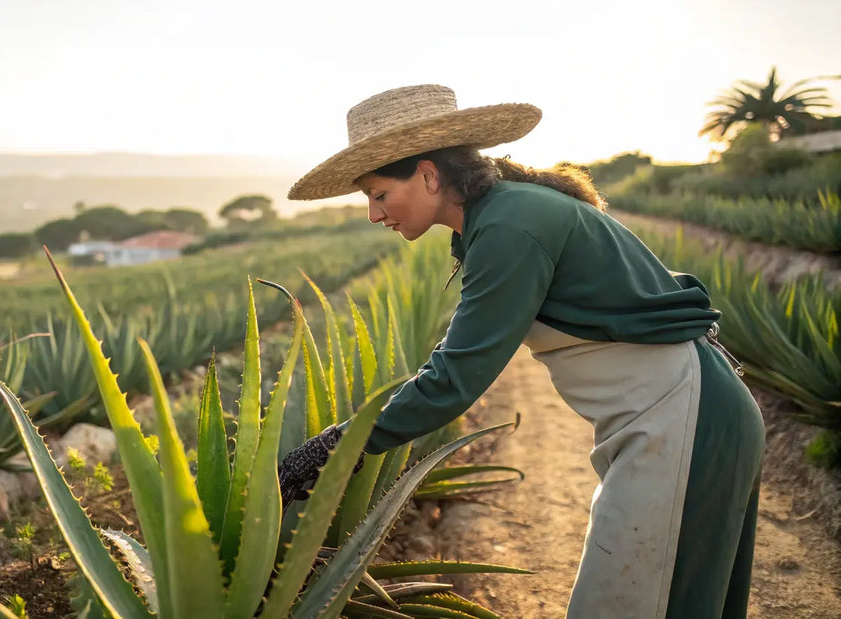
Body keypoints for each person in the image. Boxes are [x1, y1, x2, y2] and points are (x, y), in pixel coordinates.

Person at [276, 84, 765, 619]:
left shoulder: (510, 225)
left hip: (685, 420)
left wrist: (334, 447)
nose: (374, 214)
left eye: (378, 194)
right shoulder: (501, 218)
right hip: (675, 418)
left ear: (427, 174)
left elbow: (454, 379)